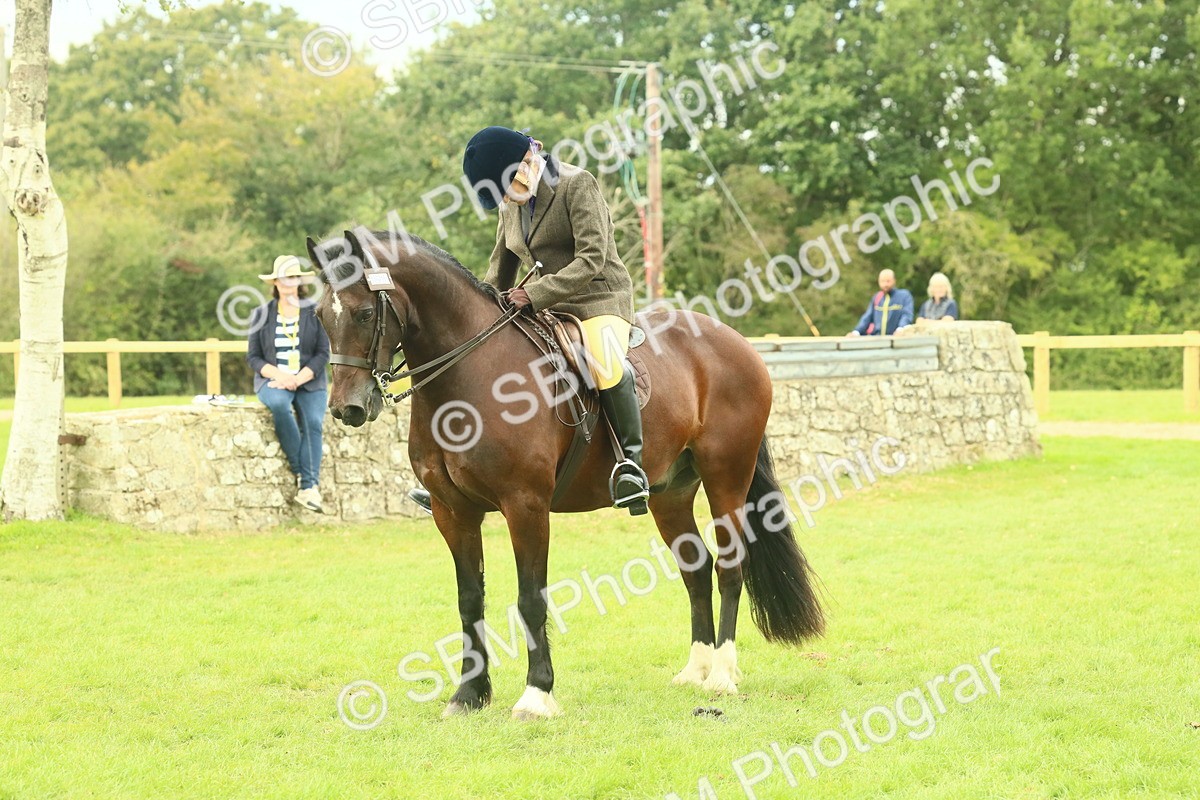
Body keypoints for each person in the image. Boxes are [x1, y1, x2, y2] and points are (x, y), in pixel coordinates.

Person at [454, 125, 648, 515]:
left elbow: (592, 259)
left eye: (507, 188)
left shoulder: (577, 184)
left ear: (527, 161)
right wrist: (480, 313)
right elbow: (500, 265)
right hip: (545, 306)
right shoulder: (511, 201)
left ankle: (631, 465)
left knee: (604, 363)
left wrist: (534, 294)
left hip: (598, 297)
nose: (507, 198)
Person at [246, 255, 330, 513]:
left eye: (292, 277)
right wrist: (281, 377)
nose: (287, 282)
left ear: (299, 282)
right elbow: (253, 357)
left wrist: (299, 377)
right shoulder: (261, 314)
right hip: (273, 381)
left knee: (314, 423)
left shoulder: (315, 311)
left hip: (309, 380)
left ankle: (307, 487)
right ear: (275, 282)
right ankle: (307, 480)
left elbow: (323, 353)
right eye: (282, 277)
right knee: (281, 408)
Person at [847, 269, 914, 336]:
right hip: (878, 339)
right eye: (882, 281)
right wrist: (856, 332)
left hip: (896, 338)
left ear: (894, 281)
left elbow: (907, 315)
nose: (885, 284)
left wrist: (901, 328)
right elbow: (867, 317)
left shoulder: (904, 296)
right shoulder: (877, 297)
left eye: (888, 281)